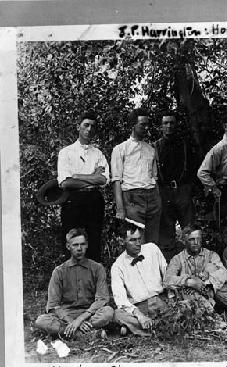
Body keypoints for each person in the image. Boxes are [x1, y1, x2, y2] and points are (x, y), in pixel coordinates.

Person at [34, 228, 113, 339]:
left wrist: (80, 320)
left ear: (87, 245)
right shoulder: (59, 272)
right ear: (68, 247)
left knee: (108, 312)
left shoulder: (97, 268)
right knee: (41, 321)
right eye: (75, 245)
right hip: (66, 316)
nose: (79, 249)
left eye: (82, 244)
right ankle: (87, 334)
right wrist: (73, 321)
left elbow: (102, 299)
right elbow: (53, 305)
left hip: (90, 314)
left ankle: (70, 333)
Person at [57, 111, 109, 262]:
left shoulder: (98, 154)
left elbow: (104, 180)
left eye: (93, 126)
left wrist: (78, 176)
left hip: (94, 200)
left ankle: (91, 279)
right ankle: (71, 279)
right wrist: (93, 177)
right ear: (78, 127)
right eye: (86, 125)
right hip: (73, 200)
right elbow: (65, 182)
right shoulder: (66, 152)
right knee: (72, 240)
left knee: (93, 241)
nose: (89, 129)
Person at [111, 108, 161, 244]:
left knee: (152, 244)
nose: (146, 128)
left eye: (147, 124)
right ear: (133, 125)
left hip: (152, 198)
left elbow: (154, 178)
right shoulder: (120, 149)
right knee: (136, 242)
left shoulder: (151, 149)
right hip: (132, 198)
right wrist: (120, 209)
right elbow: (116, 180)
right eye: (142, 124)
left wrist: (157, 200)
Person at [111, 221, 169, 336]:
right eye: (133, 240)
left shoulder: (152, 249)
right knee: (117, 314)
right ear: (122, 242)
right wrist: (140, 316)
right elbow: (121, 300)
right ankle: (159, 326)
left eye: (139, 239)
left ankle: (137, 329)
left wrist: (171, 298)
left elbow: (167, 274)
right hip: (139, 307)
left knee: (182, 307)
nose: (138, 243)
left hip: (161, 301)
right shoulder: (117, 266)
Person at [154, 112, 198, 257]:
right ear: (161, 126)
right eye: (165, 123)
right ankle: (170, 266)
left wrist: (190, 188)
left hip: (183, 190)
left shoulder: (185, 145)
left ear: (176, 124)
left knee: (190, 229)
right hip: (164, 191)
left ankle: (194, 263)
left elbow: (194, 167)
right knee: (166, 232)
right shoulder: (155, 147)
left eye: (172, 122)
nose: (169, 126)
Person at [165, 224, 227, 312]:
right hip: (188, 296)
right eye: (191, 239)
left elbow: (223, 272)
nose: (196, 243)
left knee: (211, 267)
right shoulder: (177, 259)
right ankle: (208, 312)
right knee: (186, 291)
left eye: (198, 239)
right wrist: (190, 282)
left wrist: (205, 281)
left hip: (209, 291)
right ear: (184, 241)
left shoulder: (211, 255)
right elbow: (167, 280)